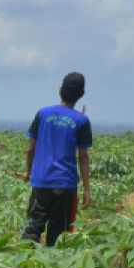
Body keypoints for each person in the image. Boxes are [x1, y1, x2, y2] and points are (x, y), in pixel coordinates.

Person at [21, 72, 93, 246]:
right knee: (59, 235)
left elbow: (30, 148)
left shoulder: (42, 114)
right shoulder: (81, 120)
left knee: (33, 228)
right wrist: (87, 190)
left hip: (41, 181)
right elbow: (83, 157)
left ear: (60, 90)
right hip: (64, 185)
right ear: (81, 94)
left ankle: (25, 265)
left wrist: (29, 171)